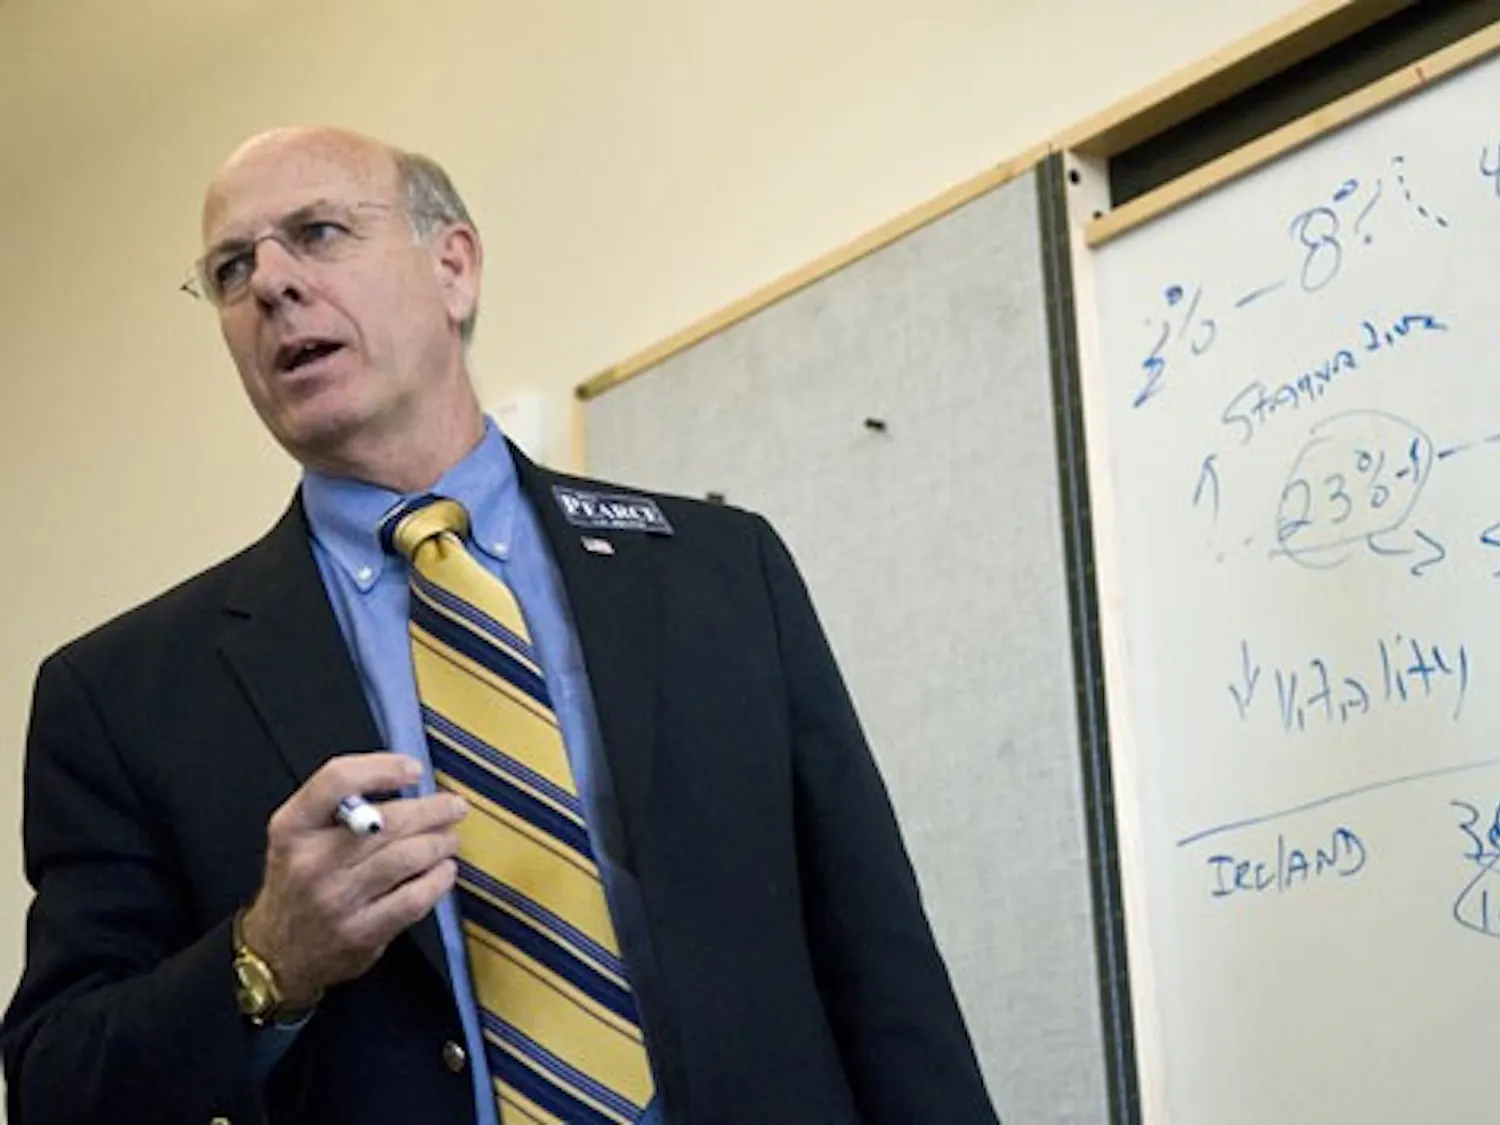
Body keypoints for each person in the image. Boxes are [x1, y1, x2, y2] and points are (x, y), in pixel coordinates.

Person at [1, 126, 999, 1125]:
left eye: (317, 231)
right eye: (230, 268)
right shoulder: (123, 695)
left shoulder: (721, 575)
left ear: (454, 268)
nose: (270, 283)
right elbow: (54, 1085)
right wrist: (266, 959)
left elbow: (883, 971)